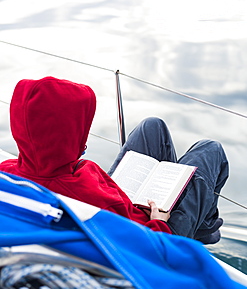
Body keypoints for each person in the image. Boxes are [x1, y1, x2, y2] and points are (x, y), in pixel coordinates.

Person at [0, 76, 229, 243]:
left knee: (152, 126)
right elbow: (145, 246)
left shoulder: (7, 172)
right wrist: (159, 221)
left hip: (121, 206)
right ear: (69, 132)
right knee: (210, 150)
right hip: (156, 230)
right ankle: (203, 229)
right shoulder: (86, 196)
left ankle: (203, 226)